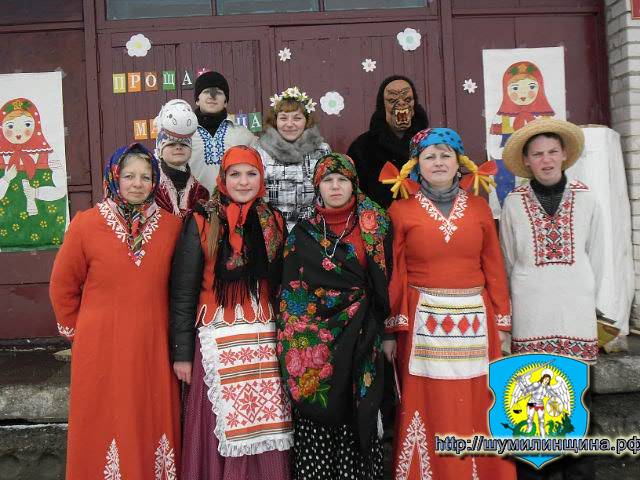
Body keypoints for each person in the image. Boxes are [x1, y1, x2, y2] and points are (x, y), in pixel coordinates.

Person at [382, 128, 516, 479]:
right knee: (429, 401)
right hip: (422, 322)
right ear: (417, 166)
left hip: (477, 321)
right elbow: (395, 272)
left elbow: (494, 266)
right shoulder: (400, 211)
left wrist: (502, 322)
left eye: (446, 155)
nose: (438, 162)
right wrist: (392, 328)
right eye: (430, 156)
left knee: (479, 399)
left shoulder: (480, 208)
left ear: (459, 163)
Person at [49, 143, 181, 479]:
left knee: (148, 413)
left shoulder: (171, 227)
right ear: (115, 177)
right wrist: (81, 334)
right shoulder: (86, 224)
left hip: (152, 345)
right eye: (129, 176)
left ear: (155, 182)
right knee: (103, 418)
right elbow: (63, 286)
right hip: (100, 345)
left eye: (145, 177)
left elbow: (180, 288)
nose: (137, 184)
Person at [170, 145, 292, 479]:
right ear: (222, 179)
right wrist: (182, 354)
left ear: (261, 178)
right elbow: (183, 291)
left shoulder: (273, 221)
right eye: (234, 174)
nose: (243, 181)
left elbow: (282, 283)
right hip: (216, 339)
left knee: (267, 421)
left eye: (251, 174)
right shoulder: (202, 219)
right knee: (218, 426)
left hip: (264, 341)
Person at [499, 117, 603, 480]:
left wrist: (589, 301)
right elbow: (508, 260)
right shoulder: (513, 204)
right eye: (538, 154)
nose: (546, 160)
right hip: (531, 317)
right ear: (526, 161)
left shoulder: (587, 198)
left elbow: (598, 256)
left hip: (576, 315)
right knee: (531, 406)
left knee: (577, 405)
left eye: (552, 152)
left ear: (564, 155)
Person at [277, 153, 392, 480]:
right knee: (319, 410)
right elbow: (292, 295)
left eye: (342, 180)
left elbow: (388, 282)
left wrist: (387, 331)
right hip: (318, 342)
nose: (336, 186)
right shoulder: (302, 234)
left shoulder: (375, 226)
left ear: (354, 185)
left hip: (363, 335)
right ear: (318, 187)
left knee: (359, 410)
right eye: (328, 180)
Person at [256, 86, 331, 232]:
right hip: (272, 230)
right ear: (275, 121)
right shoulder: (261, 151)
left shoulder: (322, 150)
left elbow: (327, 193)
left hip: (312, 230)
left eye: (297, 118)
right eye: (283, 118)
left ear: (307, 121)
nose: (289, 124)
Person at [347, 75, 429, 209]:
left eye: (407, 100)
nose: (401, 104)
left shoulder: (430, 143)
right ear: (382, 106)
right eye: (392, 100)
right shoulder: (362, 147)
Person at [189, 71, 257, 194]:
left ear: (225, 101)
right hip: (194, 204)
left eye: (219, 93)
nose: (212, 97)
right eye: (206, 92)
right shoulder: (185, 135)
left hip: (233, 204)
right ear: (197, 100)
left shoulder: (243, 135)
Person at [155, 127, 209, 218]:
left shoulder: (201, 191)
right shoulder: (151, 186)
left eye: (184, 144)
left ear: (190, 151)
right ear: (160, 151)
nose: (178, 147)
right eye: (171, 144)